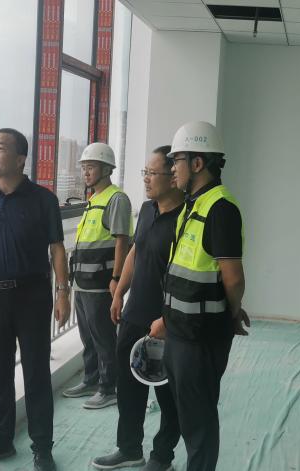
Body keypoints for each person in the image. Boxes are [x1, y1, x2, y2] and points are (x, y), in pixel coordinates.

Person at [0, 128, 70, 471]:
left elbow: (57, 248)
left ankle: (42, 448)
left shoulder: (43, 200)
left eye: (0, 149)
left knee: (36, 373)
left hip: (32, 296)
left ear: (21, 159)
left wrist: (63, 292)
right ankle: (1, 441)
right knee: (0, 372)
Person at [161, 121, 249, 471]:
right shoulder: (193, 205)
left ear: (197, 163)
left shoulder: (221, 208)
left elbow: (233, 278)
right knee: (186, 414)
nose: (172, 168)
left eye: (176, 160)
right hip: (181, 330)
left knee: (198, 422)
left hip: (200, 337)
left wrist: (232, 312)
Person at [92, 146, 183, 471]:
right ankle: (129, 448)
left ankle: (162, 456)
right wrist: (119, 291)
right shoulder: (146, 210)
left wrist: (167, 319)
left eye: (152, 173)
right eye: (145, 172)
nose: (145, 179)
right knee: (129, 386)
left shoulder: (186, 219)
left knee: (169, 393)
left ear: (173, 177)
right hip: (135, 314)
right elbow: (135, 250)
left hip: (165, 320)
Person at [63, 143, 133, 410]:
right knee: (88, 338)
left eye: (90, 167)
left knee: (104, 338)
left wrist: (116, 279)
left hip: (101, 284)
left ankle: (108, 388)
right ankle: (91, 380)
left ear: (106, 169)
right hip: (83, 283)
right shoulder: (93, 200)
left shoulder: (116, 199)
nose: (86, 172)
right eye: (84, 167)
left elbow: (122, 241)